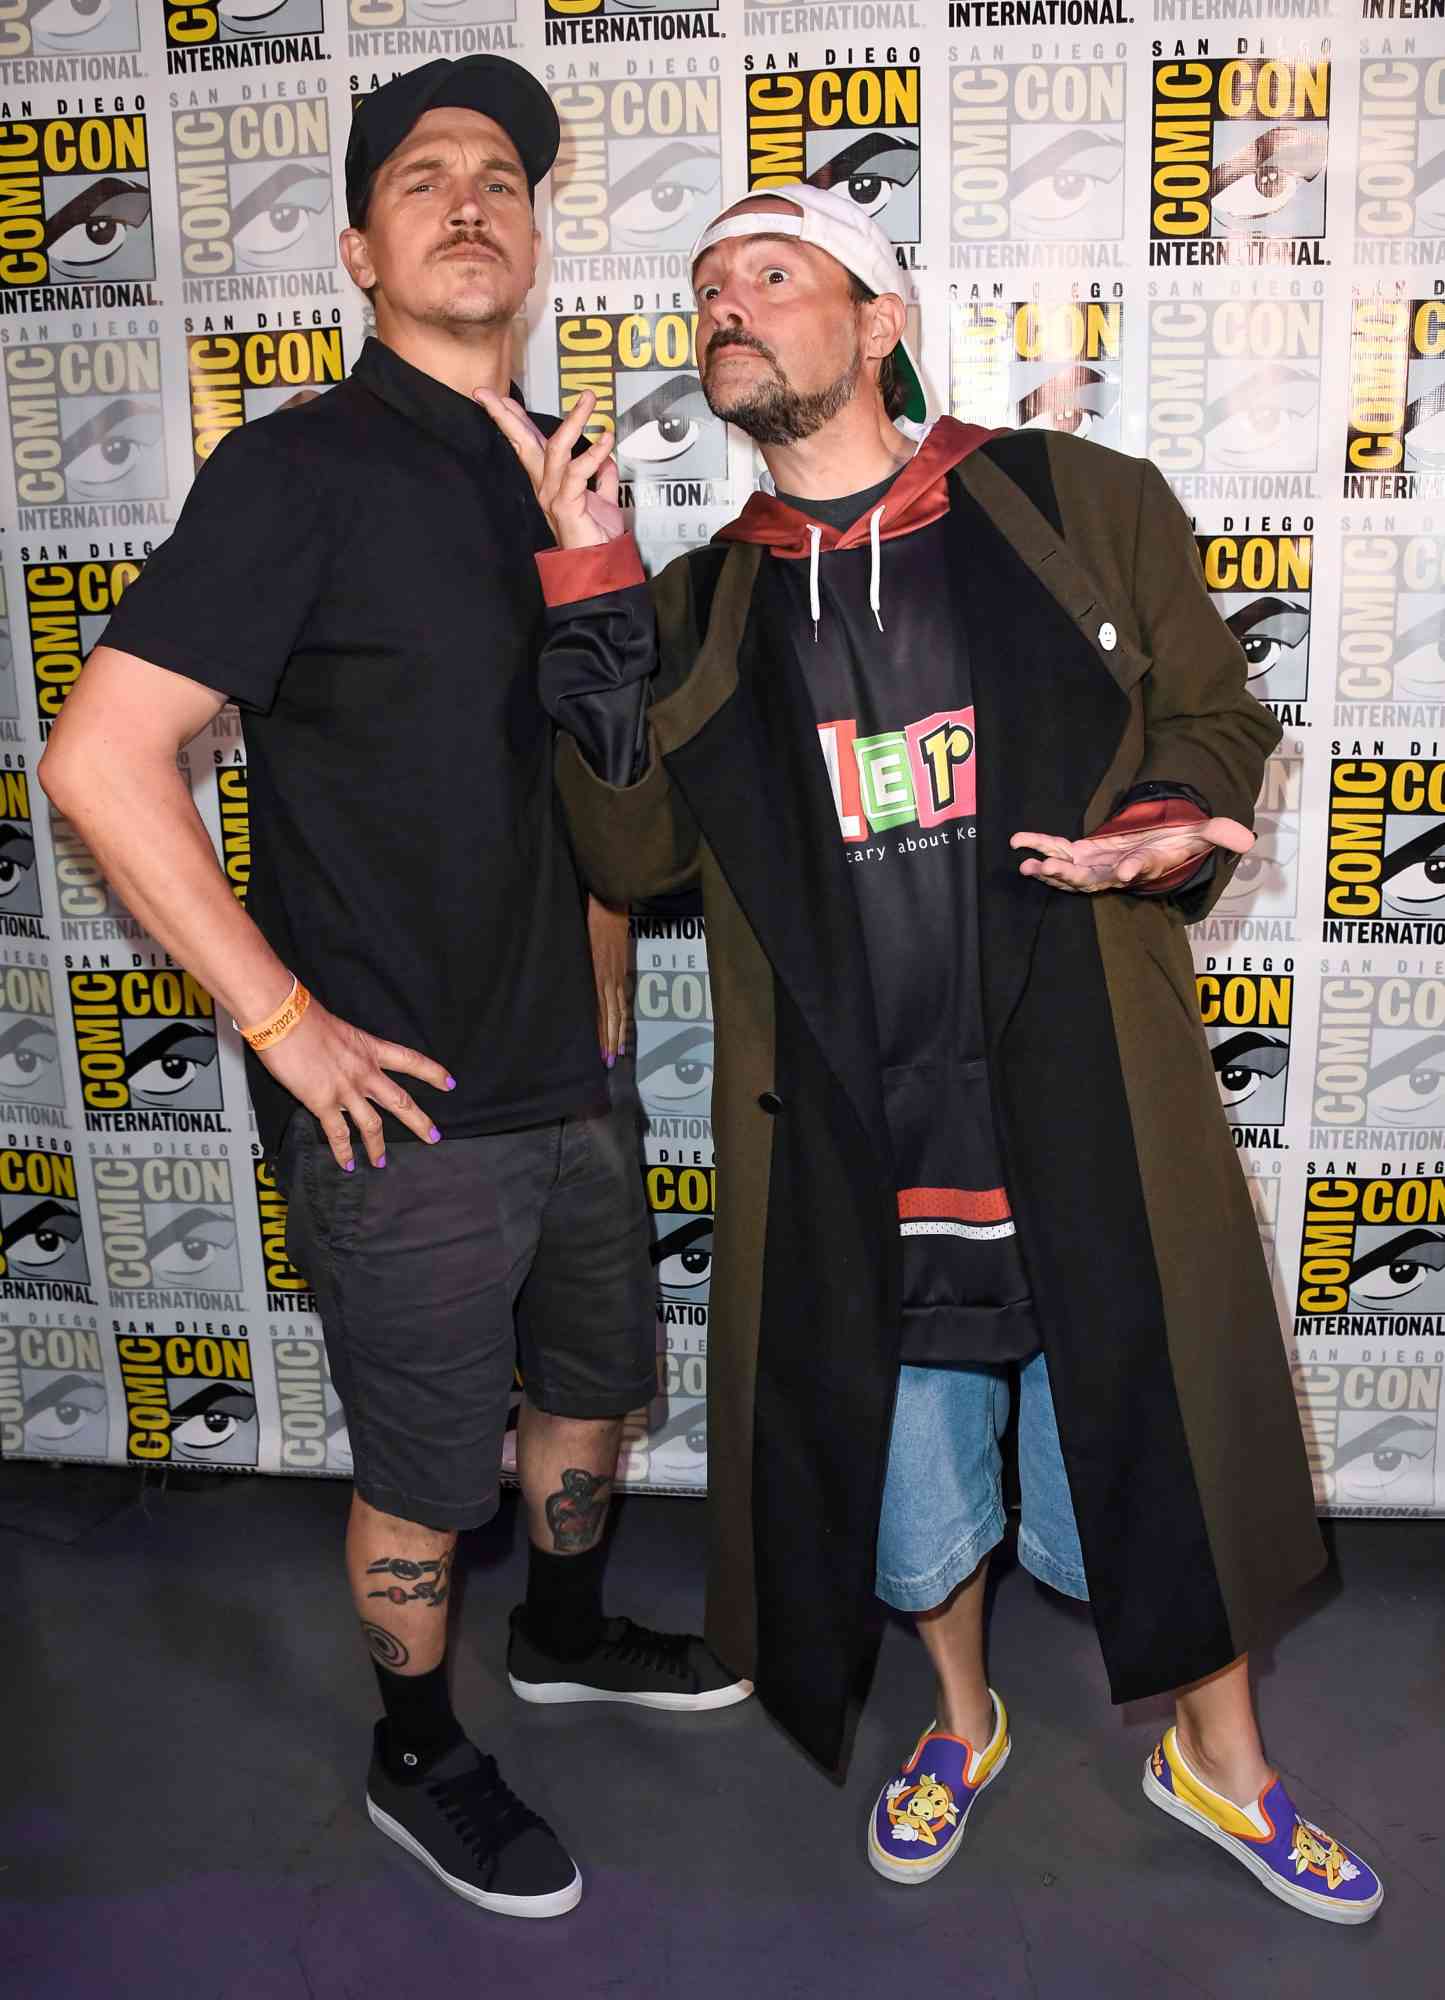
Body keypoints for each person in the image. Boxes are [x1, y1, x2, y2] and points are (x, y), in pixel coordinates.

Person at [478, 180, 1383, 1925]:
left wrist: (1171, 820)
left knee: (1164, 1450)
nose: (725, 308)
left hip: (1079, 1109)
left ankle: (1222, 1762)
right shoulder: (687, 604)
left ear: (879, 321)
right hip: (849, 1140)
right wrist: (586, 595)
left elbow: (1211, 706)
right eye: (706, 290)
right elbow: (633, 855)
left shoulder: (1071, 502)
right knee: (903, 1478)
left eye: (771, 276)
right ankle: (961, 1724)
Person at [38, 56, 749, 1926]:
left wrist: (600, 997)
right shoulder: (300, 468)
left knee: (591, 1401)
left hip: (568, 1079)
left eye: (500, 175)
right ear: (358, 249)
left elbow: (581, 791)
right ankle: (416, 1743)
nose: (466, 198)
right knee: (431, 1477)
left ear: (531, 236)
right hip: (401, 1102)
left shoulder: (553, 472)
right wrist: (284, 1025)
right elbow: (102, 761)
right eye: (421, 177)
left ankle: (573, 1632)